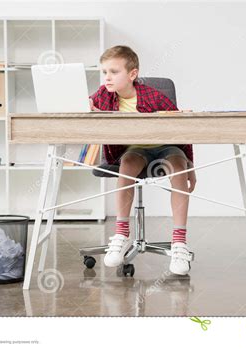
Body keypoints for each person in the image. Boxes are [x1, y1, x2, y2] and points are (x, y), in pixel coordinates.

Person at [89, 45, 196, 275]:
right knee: (127, 165)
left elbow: (182, 129)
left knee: (178, 166)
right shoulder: (102, 94)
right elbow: (86, 105)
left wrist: (191, 167)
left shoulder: (153, 96)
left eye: (114, 72)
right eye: (104, 72)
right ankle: (121, 234)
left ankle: (179, 241)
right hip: (136, 151)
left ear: (132, 74)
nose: (107, 77)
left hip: (167, 148)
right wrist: (84, 105)